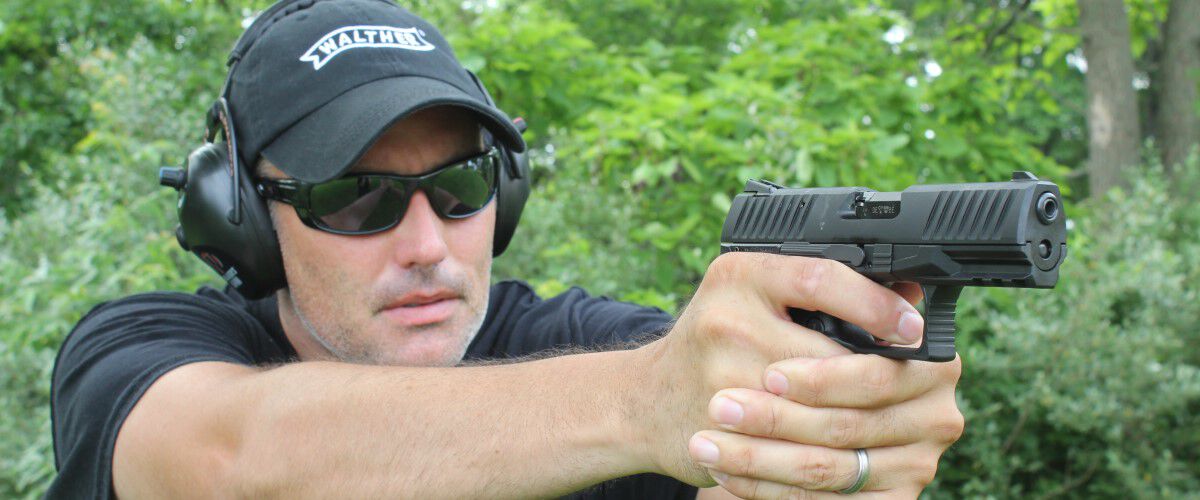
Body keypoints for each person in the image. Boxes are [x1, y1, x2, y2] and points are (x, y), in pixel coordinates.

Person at [47, 0, 964, 498]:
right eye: (354, 197)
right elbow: (228, 462)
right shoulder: (139, 352)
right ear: (244, 216)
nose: (425, 245)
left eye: (460, 188)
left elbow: (708, 410)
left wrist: (819, 429)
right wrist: (646, 402)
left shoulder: (581, 345)